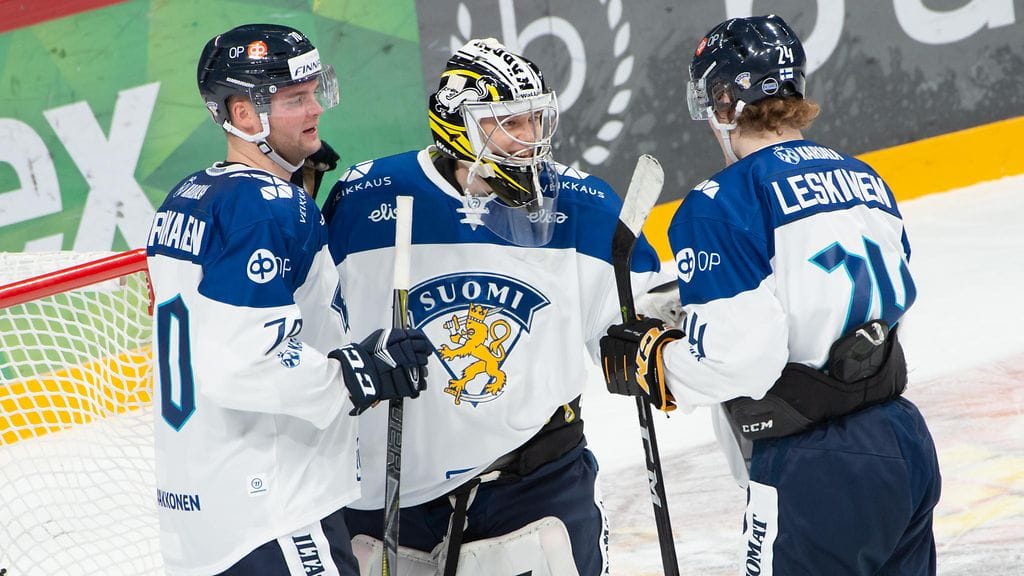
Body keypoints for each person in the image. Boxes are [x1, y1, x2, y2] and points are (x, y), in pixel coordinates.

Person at [600, 15, 942, 575]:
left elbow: (741, 363)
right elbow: (858, 300)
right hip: (904, 440)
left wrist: (655, 363)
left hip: (816, 469)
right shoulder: (866, 178)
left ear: (725, 100)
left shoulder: (718, 203)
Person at [321, 38, 664, 576]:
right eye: (510, 124)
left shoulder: (580, 202)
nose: (530, 138)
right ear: (459, 125)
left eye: (535, 120)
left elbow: (640, 305)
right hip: (393, 490)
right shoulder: (366, 198)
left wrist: (653, 337)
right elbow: (315, 317)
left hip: (533, 481)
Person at [146, 24, 431, 576]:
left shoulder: (186, 198)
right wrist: (358, 372)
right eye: (295, 99)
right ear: (244, 114)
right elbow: (245, 363)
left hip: (200, 515)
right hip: (275, 510)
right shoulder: (267, 209)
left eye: (314, 92)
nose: (316, 109)